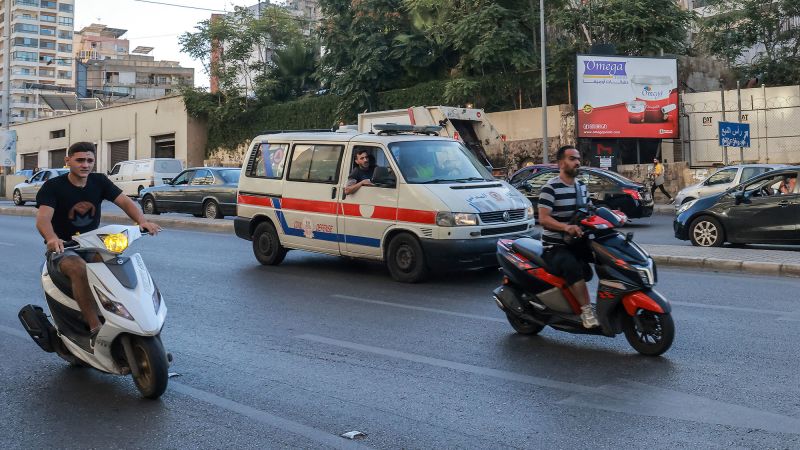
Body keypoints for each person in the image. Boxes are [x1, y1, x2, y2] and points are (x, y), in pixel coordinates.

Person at [35, 142, 160, 348]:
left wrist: (142, 221)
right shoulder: (53, 187)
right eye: (80, 160)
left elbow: (125, 202)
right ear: (68, 161)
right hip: (63, 249)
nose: (85, 165)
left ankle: (127, 317)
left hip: (93, 244)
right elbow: (43, 219)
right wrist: (51, 238)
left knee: (117, 266)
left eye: (90, 160)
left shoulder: (99, 181)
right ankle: (94, 328)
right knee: (79, 269)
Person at [537, 145, 599, 328]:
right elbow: (544, 219)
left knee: (605, 257)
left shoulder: (581, 187)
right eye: (572, 159)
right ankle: (586, 312)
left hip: (576, 242)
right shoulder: (550, 188)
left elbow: (589, 211)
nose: (577, 162)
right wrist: (566, 227)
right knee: (573, 267)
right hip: (554, 246)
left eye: (578, 158)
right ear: (561, 163)